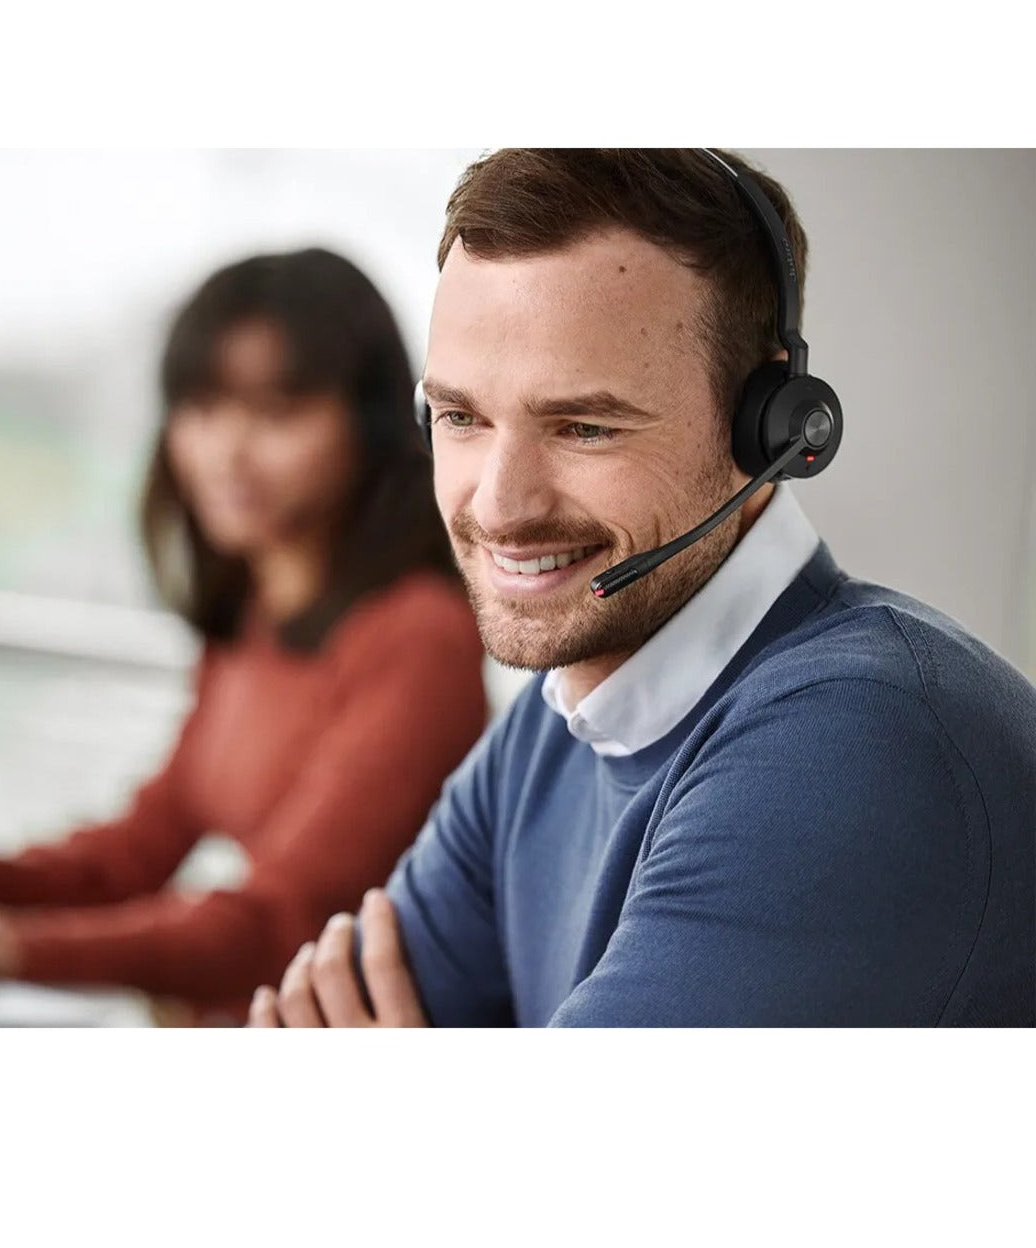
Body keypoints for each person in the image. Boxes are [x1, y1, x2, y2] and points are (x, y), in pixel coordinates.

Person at [249, 149, 1036, 1028]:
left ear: (770, 428)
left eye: (584, 427)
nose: (500, 506)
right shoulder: (552, 734)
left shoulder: (860, 748)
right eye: (461, 418)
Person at [0, 247, 487, 1024]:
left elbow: (280, 919)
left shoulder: (420, 637)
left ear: (371, 424)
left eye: (277, 412)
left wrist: (17, 944)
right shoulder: (256, 611)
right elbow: (141, 847)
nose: (227, 449)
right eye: (204, 407)